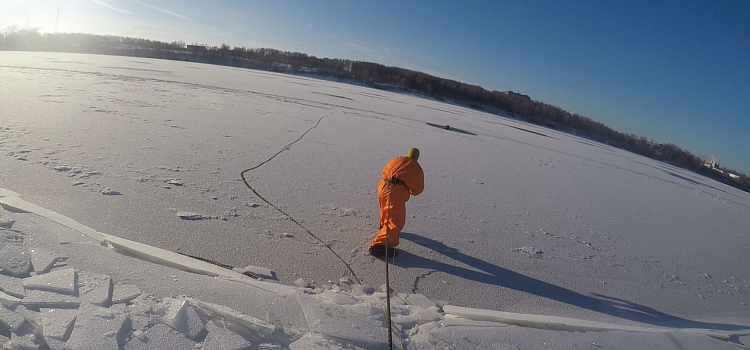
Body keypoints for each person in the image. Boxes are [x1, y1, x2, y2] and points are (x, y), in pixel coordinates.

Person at [369, 148, 424, 257]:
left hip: (383, 185)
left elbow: (384, 170)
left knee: (385, 210)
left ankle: (383, 229)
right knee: (395, 219)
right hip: (395, 191)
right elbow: (418, 189)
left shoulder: (398, 159)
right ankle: (381, 245)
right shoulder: (416, 168)